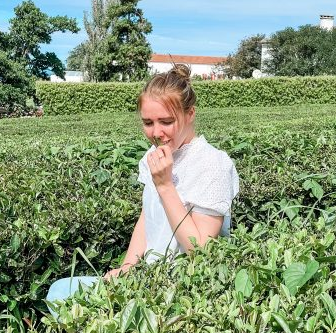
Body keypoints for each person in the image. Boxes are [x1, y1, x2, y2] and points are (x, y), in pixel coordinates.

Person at [45, 64, 240, 310]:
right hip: (145, 277)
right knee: (59, 291)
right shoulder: (153, 155)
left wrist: (165, 185)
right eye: (148, 122)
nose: (157, 133)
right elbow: (148, 218)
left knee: (64, 297)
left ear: (190, 114)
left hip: (180, 290)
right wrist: (127, 268)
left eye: (166, 121)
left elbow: (200, 251)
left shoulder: (213, 163)